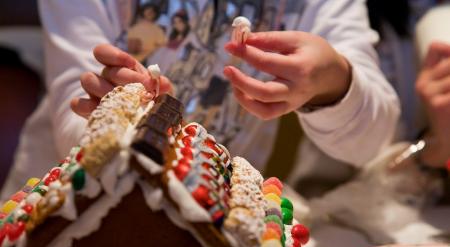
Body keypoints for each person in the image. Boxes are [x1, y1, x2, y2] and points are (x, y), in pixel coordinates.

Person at [1, 0, 400, 200]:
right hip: (64, 211)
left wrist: (334, 82)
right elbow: (74, 107)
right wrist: (118, 112)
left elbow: (370, 141)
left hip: (207, 220)